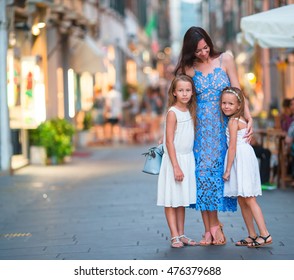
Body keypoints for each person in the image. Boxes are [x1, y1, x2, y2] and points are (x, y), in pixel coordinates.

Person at [174, 26, 253, 246]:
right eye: (197, 50)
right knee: (202, 176)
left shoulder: (226, 59)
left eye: (205, 47)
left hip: (223, 126)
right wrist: (170, 128)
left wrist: (248, 117)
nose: (203, 53)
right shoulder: (188, 68)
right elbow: (180, 99)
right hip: (199, 129)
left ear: (209, 43)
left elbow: (237, 90)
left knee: (217, 175)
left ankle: (214, 226)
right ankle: (209, 229)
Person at [221, 87, 272, 248]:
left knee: (249, 198)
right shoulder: (241, 119)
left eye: (230, 103)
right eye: (224, 103)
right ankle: (252, 234)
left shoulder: (233, 121)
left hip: (240, 158)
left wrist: (228, 169)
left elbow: (233, 148)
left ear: (238, 106)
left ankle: (265, 234)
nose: (226, 106)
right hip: (243, 157)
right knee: (242, 199)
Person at [157, 74, 197, 248]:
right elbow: (169, 141)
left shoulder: (190, 110)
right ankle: (174, 235)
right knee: (171, 199)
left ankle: (181, 234)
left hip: (187, 158)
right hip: (175, 160)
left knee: (181, 199)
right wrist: (176, 166)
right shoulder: (172, 113)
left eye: (188, 90)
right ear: (174, 92)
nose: (185, 94)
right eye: (181, 90)